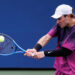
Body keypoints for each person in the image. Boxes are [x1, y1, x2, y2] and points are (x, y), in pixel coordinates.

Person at [25, 4, 75, 75]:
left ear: (69, 16)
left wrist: (44, 53)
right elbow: (47, 37)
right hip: (61, 69)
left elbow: (66, 51)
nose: (57, 21)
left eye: (59, 18)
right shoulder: (60, 25)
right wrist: (35, 49)